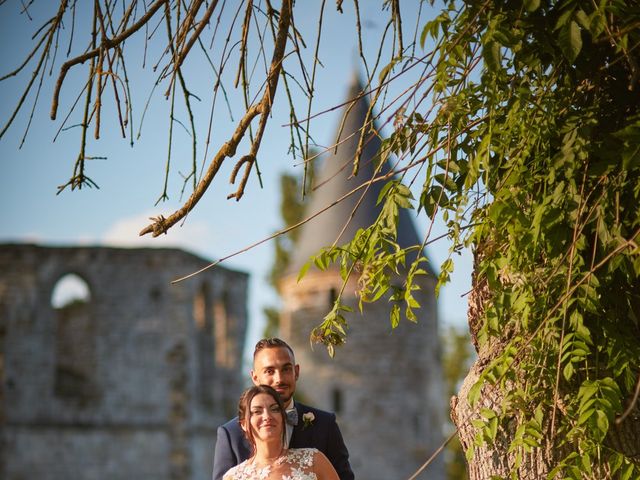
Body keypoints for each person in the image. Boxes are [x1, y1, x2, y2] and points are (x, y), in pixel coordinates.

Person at [213, 338, 354, 480]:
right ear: (255, 377)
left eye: (286, 369)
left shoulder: (325, 424)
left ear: (296, 372)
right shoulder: (230, 434)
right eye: (269, 371)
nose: (279, 379)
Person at [223, 384, 339, 480]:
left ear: (283, 417)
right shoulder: (233, 477)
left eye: (274, 409)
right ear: (243, 424)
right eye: (257, 411)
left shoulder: (314, 460)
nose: (267, 416)